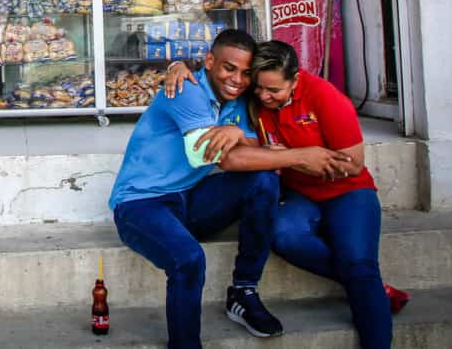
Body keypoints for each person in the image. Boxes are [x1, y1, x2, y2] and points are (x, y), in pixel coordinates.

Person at [165, 40, 409, 349]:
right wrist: (177, 66)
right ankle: (370, 289)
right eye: (260, 89)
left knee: (359, 263)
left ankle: (368, 295)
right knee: (282, 235)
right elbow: (218, 68)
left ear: (295, 80)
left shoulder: (324, 96)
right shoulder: (253, 99)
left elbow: (352, 164)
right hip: (298, 194)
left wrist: (292, 156)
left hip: (347, 192)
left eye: (274, 91)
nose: (264, 97)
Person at [109, 29, 287, 348]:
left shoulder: (237, 99)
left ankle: (243, 291)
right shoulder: (186, 87)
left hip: (189, 200)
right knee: (189, 259)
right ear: (209, 61)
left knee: (263, 180)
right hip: (141, 205)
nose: (237, 79)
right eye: (229, 68)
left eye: (247, 73)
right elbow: (202, 152)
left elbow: (253, 149)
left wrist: (236, 133)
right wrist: (243, 138)